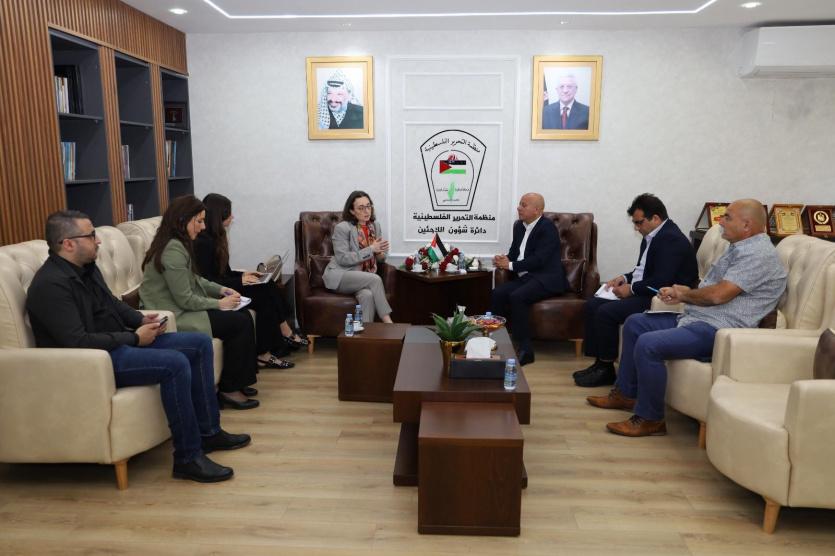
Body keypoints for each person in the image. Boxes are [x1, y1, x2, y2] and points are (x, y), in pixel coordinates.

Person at [26, 210, 251, 483]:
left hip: (117, 344)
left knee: (199, 344)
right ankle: (188, 458)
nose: (98, 241)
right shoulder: (50, 286)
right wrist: (135, 338)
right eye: (91, 235)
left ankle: (209, 433)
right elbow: (78, 341)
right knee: (175, 363)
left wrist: (141, 320)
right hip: (94, 362)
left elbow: (112, 304)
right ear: (68, 243)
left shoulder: (87, 269)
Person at [587, 199, 788, 437]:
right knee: (635, 323)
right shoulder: (738, 248)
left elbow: (718, 295)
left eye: (727, 217)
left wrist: (685, 295)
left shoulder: (758, 255)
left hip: (719, 330)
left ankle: (651, 419)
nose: (720, 221)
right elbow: (713, 291)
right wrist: (684, 293)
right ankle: (626, 394)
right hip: (698, 319)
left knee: (649, 344)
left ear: (747, 225)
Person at [139, 195, 260, 410]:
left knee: (241, 315)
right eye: (199, 221)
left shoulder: (177, 244)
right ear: (182, 220)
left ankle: (236, 382)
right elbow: (185, 299)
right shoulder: (172, 250)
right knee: (239, 322)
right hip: (174, 315)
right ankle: (229, 390)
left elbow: (195, 279)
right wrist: (219, 304)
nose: (203, 227)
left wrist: (221, 290)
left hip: (181, 308)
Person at [574, 194, 698, 387]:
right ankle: (600, 363)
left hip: (661, 298)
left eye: (639, 222)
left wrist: (630, 289)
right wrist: (624, 278)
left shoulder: (671, 240)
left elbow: (661, 280)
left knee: (606, 312)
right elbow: (643, 271)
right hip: (646, 289)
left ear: (655, 218)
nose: (636, 228)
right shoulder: (652, 236)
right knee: (592, 304)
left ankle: (605, 368)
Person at [195, 193, 304, 369]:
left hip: (226, 284)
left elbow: (225, 272)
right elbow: (209, 281)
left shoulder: (215, 237)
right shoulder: (203, 243)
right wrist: (241, 281)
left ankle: (283, 335)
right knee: (262, 294)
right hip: (217, 291)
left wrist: (244, 275)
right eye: (229, 213)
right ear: (219, 215)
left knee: (267, 283)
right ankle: (270, 348)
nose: (232, 217)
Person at [490, 193, 569, 366]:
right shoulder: (519, 226)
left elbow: (539, 260)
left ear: (537, 210)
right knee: (497, 293)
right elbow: (514, 253)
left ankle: (526, 349)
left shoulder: (547, 228)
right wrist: (503, 259)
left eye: (523, 205)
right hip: (527, 277)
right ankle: (497, 340)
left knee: (518, 297)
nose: (519, 208)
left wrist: (510, 265)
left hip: (547, 278)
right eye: (520, 204)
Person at [323, 190, 394, 323]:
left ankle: (365, 332)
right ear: (352, 211)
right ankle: (388, 322)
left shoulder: (375, 226)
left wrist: (379, 253)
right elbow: (343, 259)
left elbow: (379, 259)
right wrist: (371, 249)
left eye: (368, 206)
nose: (366, 211)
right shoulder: (342, 228)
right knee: (375, 280)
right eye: (361, 208)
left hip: (363, 277)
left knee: (367, 295)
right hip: (341, 275)